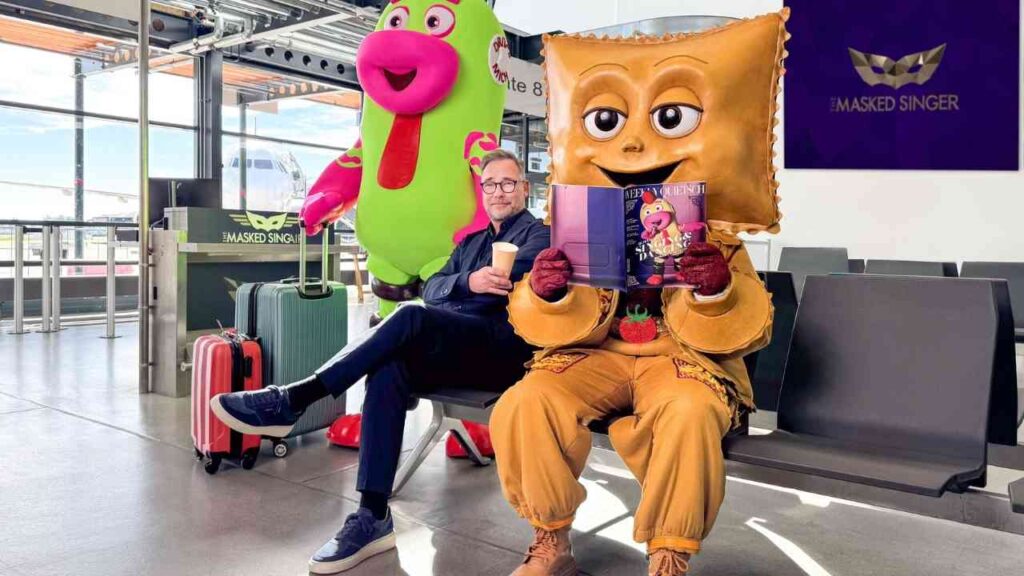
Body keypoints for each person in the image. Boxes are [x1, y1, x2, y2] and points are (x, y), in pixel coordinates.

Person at [211, 149, 549, 574]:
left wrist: (466, 286)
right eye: (490, 184)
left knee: (408, 315)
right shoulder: (471, 243)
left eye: (507, 183)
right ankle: (373, 514)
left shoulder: (540, 235)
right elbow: (434, 285)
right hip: (458, 344)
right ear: (481, 193)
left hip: (502, 351)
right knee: (389, 366)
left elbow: (505, 277)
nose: (498, 192)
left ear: (524, 188)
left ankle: (297, 398)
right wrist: (467, 281)